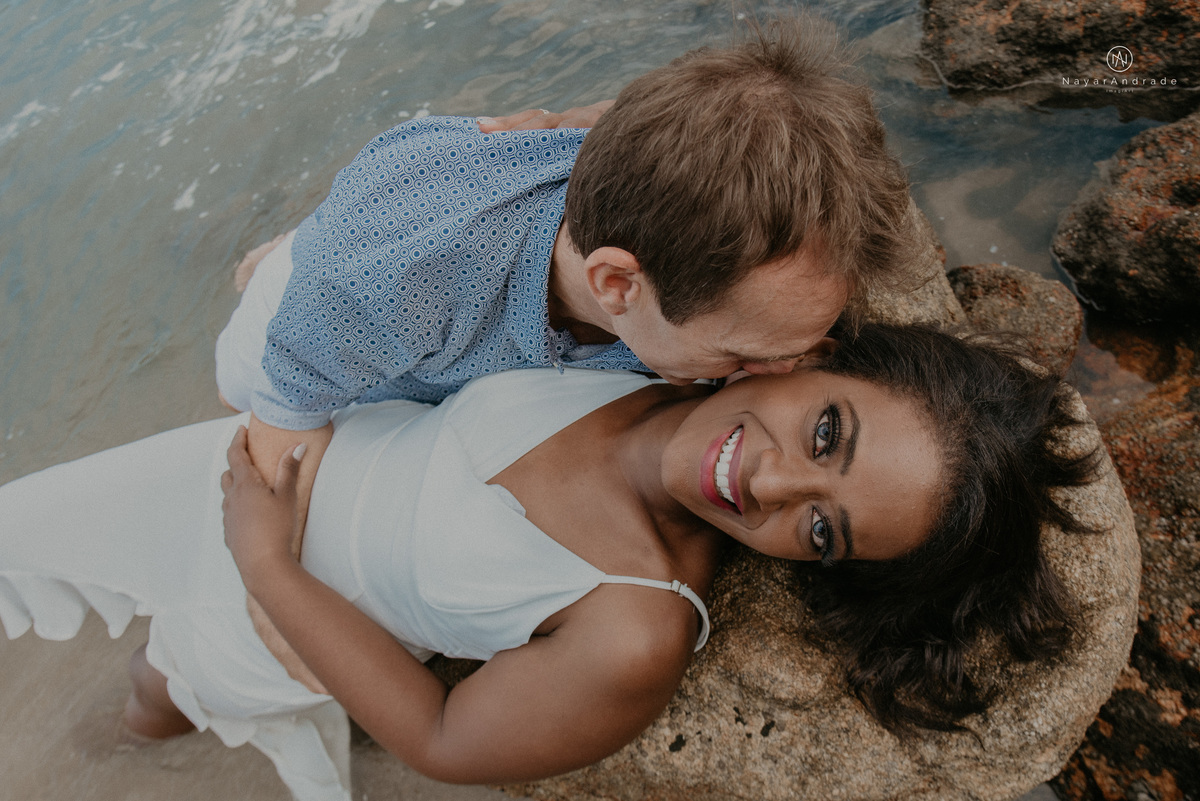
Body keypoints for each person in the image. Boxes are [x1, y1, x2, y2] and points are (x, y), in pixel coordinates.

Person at [0, 324, 1098, 800]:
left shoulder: (636, 626)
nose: (771, 486)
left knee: (159, 688)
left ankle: (92, 763)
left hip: (279, 607)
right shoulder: (653, 355)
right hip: (238, 471)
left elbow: (441, 740)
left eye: (824, 531)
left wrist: (269, 567)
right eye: (827, 435)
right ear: (814, 362)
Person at [214, 15, 919, 521]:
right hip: (353, 275)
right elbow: (282, 434)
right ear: (617, 285)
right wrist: (278, 607)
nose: (775, 377)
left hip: (418, 239)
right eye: (744, 353)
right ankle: (283, 257)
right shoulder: (400, 277)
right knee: (245, 383)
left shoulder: (654, 179)